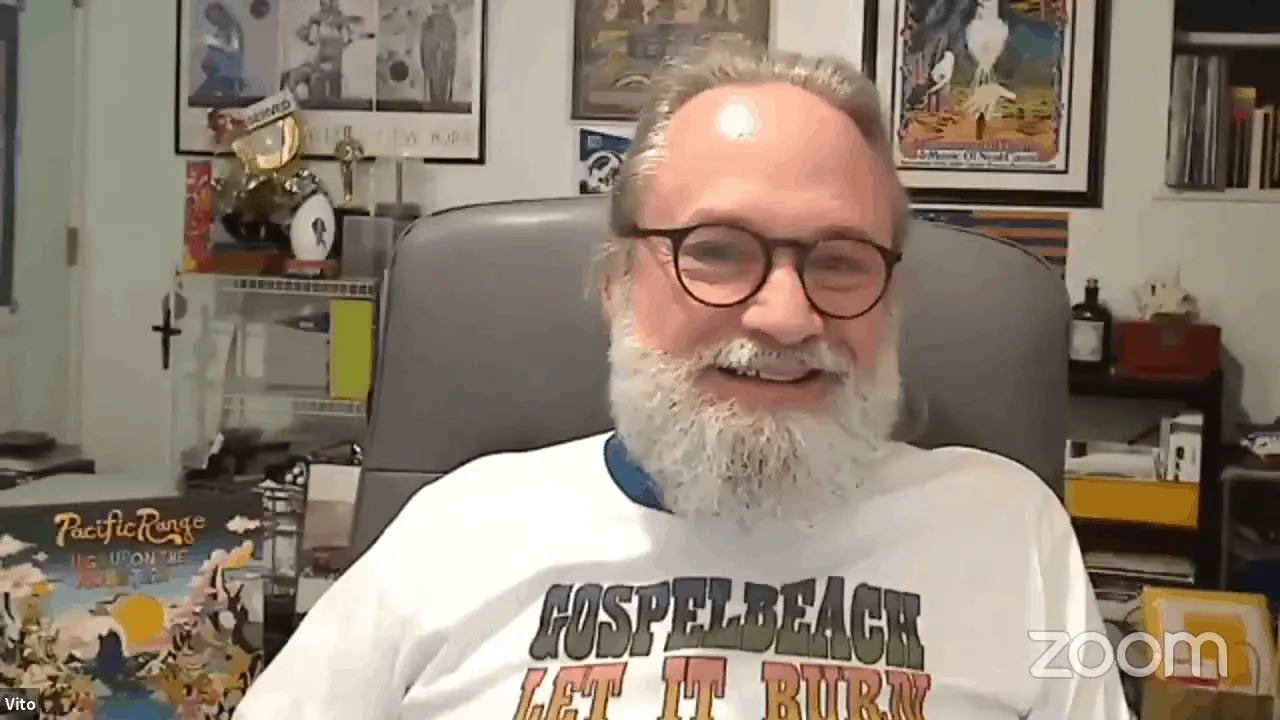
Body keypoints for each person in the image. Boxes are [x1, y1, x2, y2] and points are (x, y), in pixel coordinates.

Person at [233, 42, 1130, 719]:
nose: (786, 317)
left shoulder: (1010, 532)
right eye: (716, 251)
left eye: (842, 261)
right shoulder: (457, 530)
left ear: (890, 302)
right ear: (618, 286)